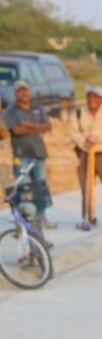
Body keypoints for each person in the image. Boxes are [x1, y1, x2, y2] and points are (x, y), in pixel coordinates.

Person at [68, 85, 102, 231]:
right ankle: (88, 217)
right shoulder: (79, 113)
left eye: (96, 97)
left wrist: (99, 138)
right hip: (85, 154)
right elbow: (73, 133)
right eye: (90, 96)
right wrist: (84, 140)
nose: (92, 99)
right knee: (86, 187)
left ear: (101, 98)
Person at [2, 79, 55, 230]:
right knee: (23, 188)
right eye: (20, 90)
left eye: (26, 90)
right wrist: (38, 128)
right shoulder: (11, 111)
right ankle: (24, 223)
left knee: (40, 187)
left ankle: (41, 218)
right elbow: (16, 130)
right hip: (22, 154)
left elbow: (49, 126)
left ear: (30, 91)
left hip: (39, 153)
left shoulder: (37, 109)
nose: (24, 93)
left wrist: (30, 125)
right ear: (15, 93)